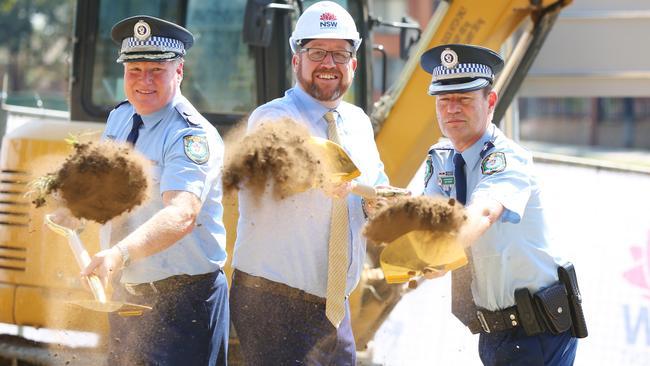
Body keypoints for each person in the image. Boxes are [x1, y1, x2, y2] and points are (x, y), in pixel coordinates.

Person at [229, 1, 389, 365]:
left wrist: (380, 202)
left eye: (339, 53)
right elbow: (281, 164)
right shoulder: (273, 117)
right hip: (274, 302)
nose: (328, 63)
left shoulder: (359, 122)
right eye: (316, 52)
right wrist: (316, 177)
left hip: (335, 305)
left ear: (354, 64)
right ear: (295, 60)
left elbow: (375, 187)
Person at [419, 44, 582, 365]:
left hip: (540, 331)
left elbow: (484, 213)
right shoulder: (440, 160)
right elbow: (429, 224)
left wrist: (438, 251)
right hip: (491, 330)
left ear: (490, 101)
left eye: (464, 99)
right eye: (444, 101)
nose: (452, 109)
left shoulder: (507, 159)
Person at [81, 15, 228, 365]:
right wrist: (74, 208)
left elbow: (182, 214)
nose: (143, 82)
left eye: (156, 70)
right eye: (135, 70)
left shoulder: (190, 135)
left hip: (184, 302)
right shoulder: (120, 117)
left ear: (179, 72)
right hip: (127, 295)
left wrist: (117, 255)